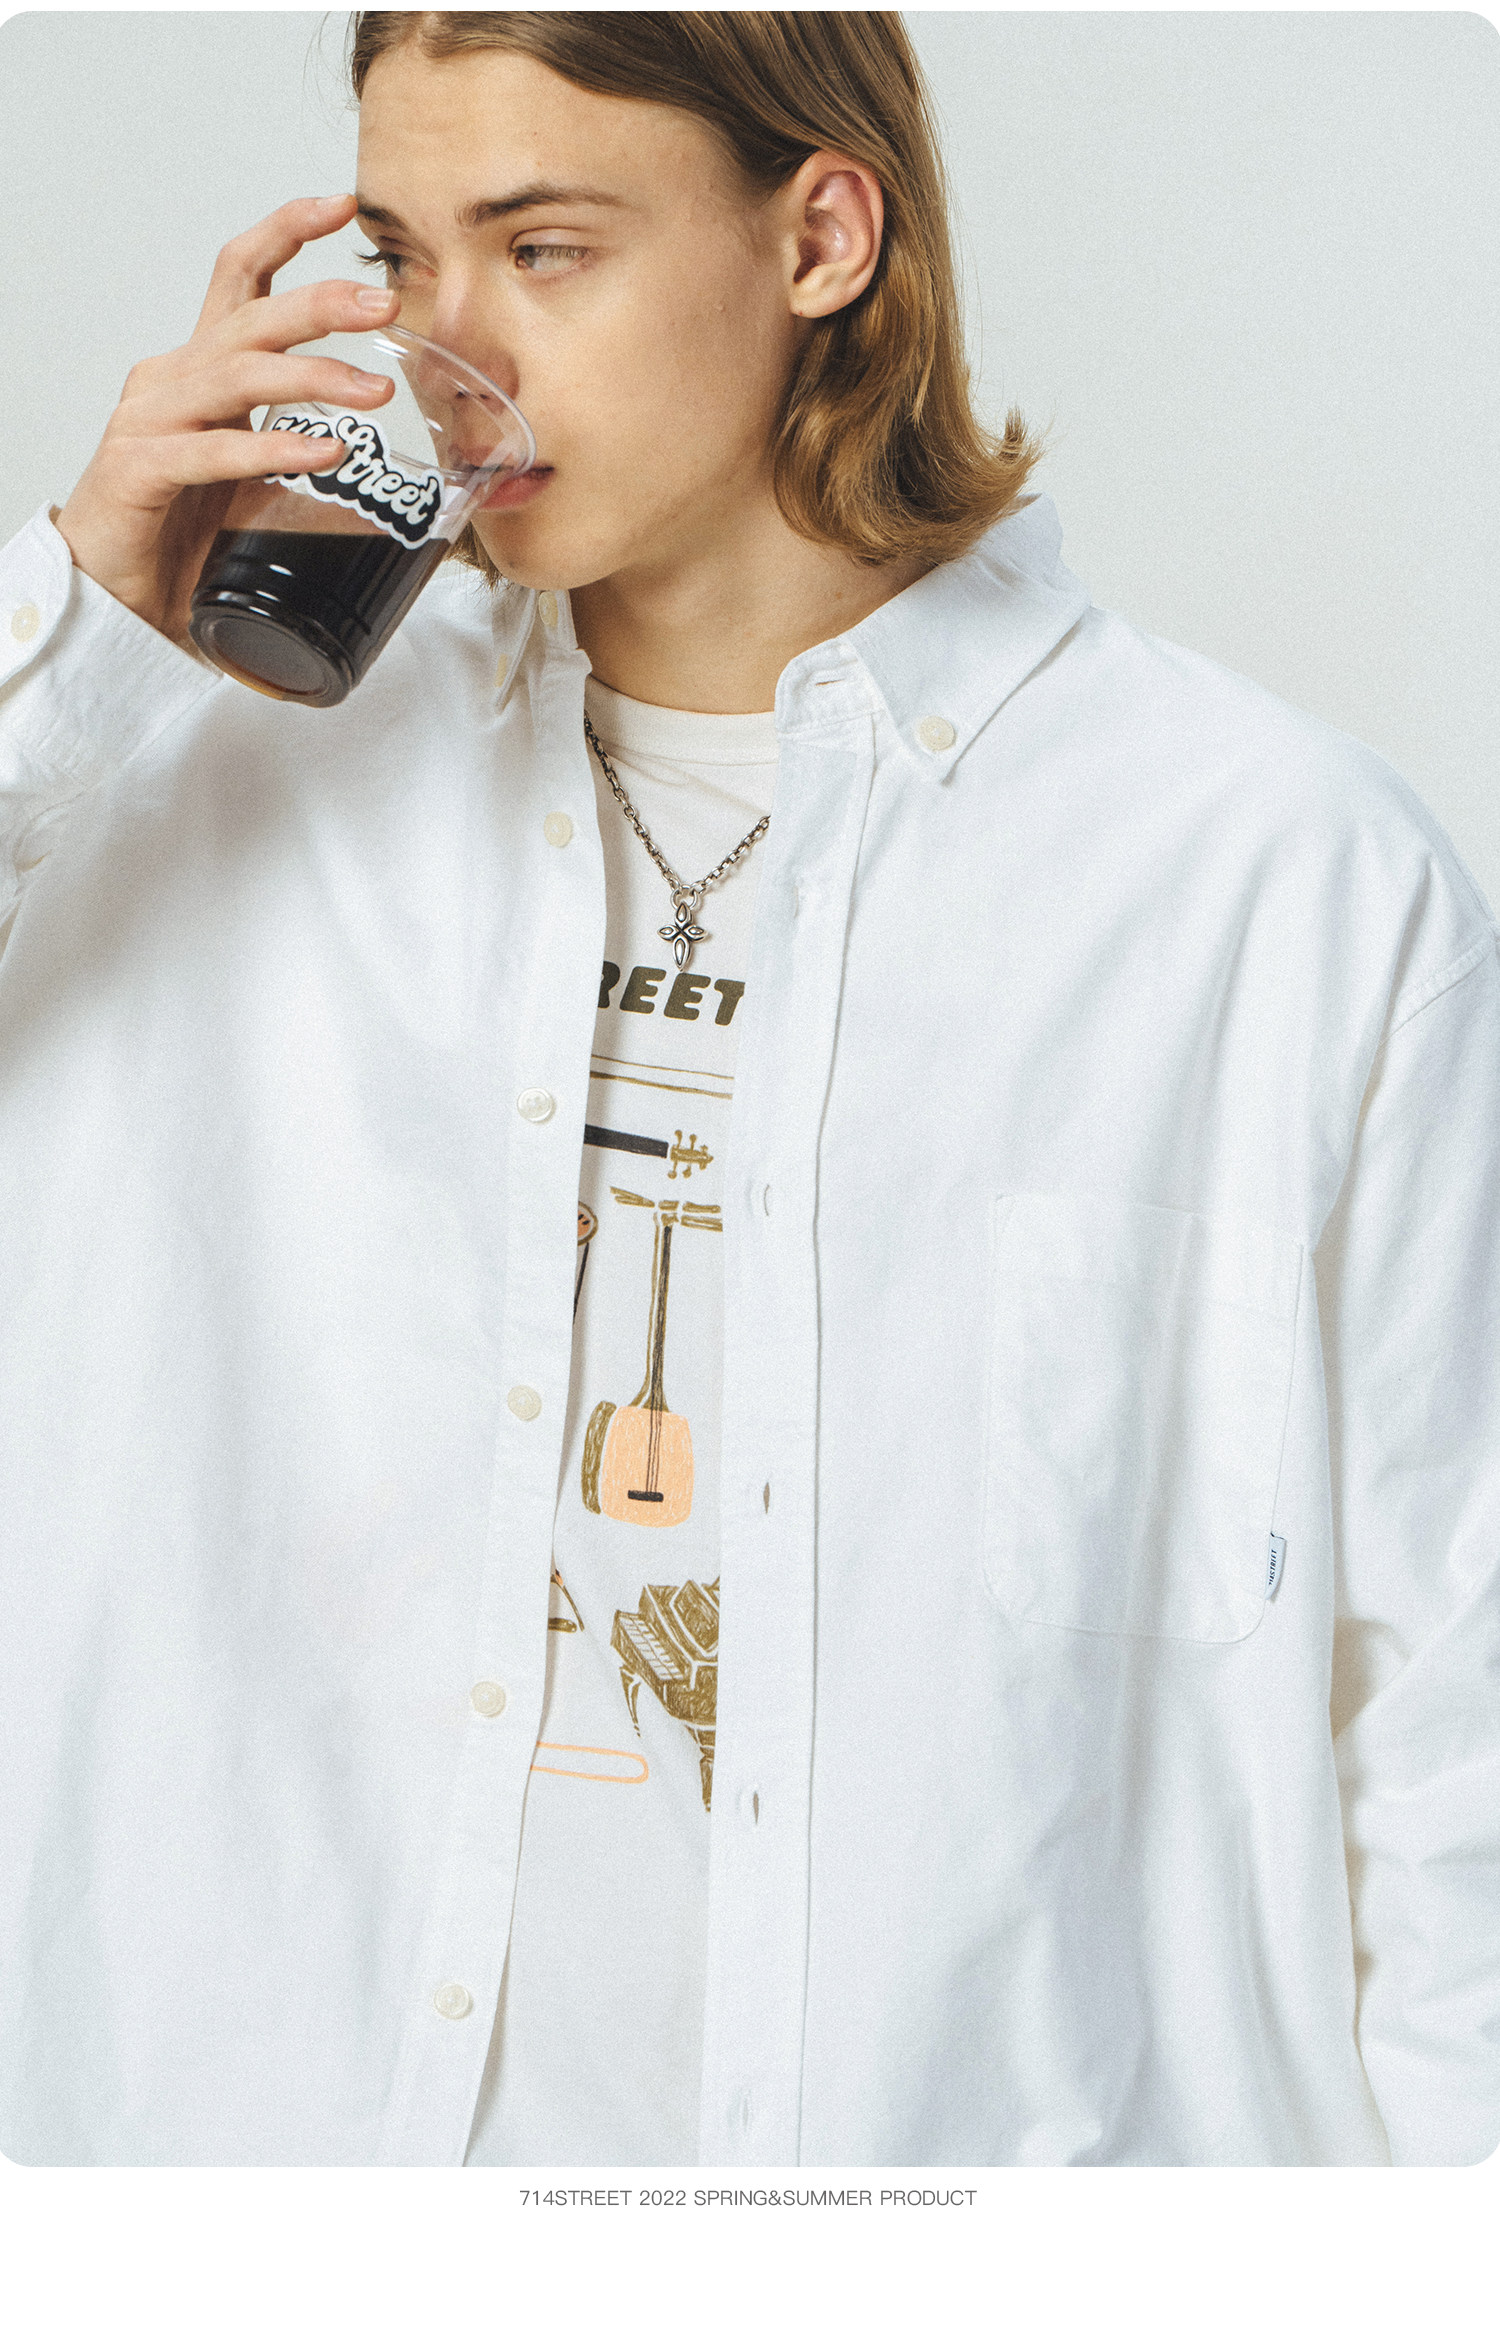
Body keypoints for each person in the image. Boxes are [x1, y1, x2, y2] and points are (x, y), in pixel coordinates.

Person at [0, 9, 1496, 2170]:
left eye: (546, 249)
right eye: (402, 258)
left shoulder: (1274, 884)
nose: (450, 348)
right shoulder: (186, 785)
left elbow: (1452, 1731)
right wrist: (70, 616)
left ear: (821, 238)